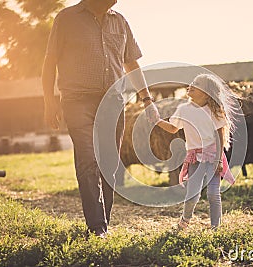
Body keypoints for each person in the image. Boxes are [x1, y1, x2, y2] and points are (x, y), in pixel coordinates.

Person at [42, 0, 158, 238]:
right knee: (87, 160)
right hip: (77, 101)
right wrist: (49, 100)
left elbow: (132, 64)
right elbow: (50, 62)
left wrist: (147, 99)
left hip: (113, 103)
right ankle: (97, 228)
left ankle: (102, 222)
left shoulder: (120, 21)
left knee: (109, 165)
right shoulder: (66, 19)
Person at [156, 73, 237, 230]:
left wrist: (219, 160)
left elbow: (220, 136)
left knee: (214, 194)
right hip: (195, 158)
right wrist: (157, 121)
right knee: (192, 195)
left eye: (197, 84)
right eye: (192, 82)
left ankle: (216, 227)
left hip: (213, 156)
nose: (191, 85)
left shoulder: (214, 110)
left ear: (206, 93)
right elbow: (173, 128)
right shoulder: (184, 109)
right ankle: (184, 221)